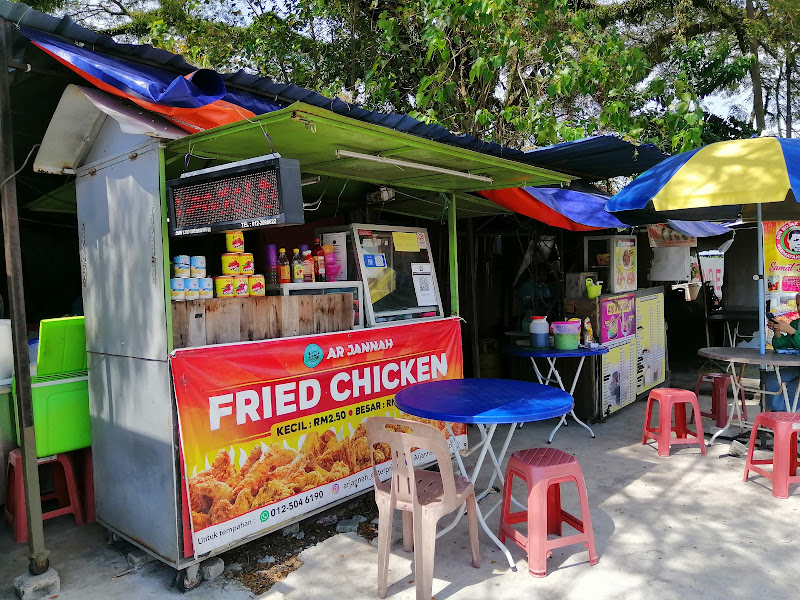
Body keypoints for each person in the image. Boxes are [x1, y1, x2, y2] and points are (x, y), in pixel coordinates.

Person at [765, 295, 800, 410]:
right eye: (798, 304)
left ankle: (783, 415)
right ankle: (780, 415)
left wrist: (793, 332)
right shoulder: (796, 324)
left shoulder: (793, 328)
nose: (799, 308)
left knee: (793, 390)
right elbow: (782, 346)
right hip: (795, 366)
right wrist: (777, 330)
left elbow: (794, 336)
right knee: (772, 380)